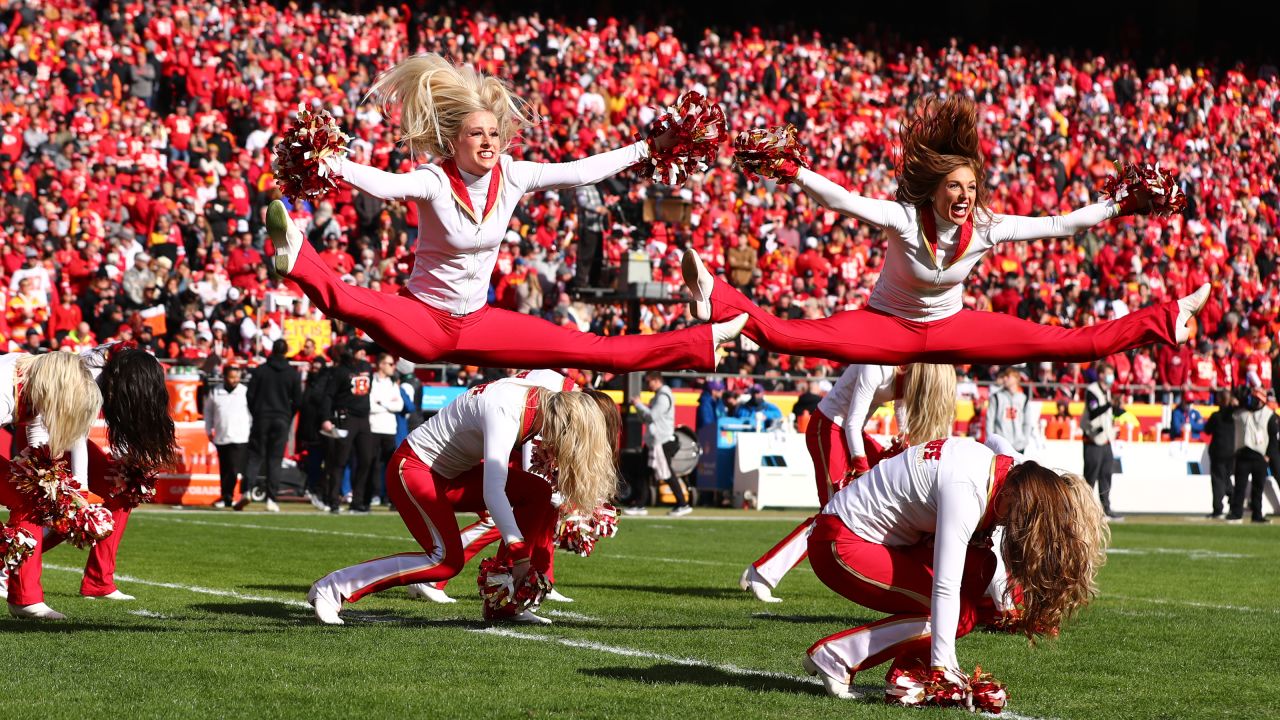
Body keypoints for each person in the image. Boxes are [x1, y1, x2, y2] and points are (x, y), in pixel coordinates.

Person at [267, 53, 745, 375]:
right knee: (348, 302)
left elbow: (580, 172)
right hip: (422, 321)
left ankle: (701, 342)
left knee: (590, 349)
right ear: (454, 140)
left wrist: (646, 146)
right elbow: (387, 185)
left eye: (494, 133)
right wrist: (331, 162)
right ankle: (297, 255)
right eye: (477, 134)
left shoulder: (514, 175)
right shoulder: (435, 180)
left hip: (479, 322)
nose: (489, 141)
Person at [693, 96, 1209, 367]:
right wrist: (792, 171)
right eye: (955, 188)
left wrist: (1120, 205)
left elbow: (1061, 225)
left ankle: (1167, 317)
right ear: (935, 190)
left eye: (970, 187)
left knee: (1071, 345)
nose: (964, 196)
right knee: (790, 338)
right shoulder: (902, 216)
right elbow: (842, 201)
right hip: (887, 327)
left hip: (953, 327)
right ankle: (716, 298)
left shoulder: (986, 227)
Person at [802, 437, 1108, 701]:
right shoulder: (967, 488)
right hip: (842, 542)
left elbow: (1001, 444)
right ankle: (838, 655)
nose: (1012, 525)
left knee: (978, 569)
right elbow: (945, 586)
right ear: (1014, 494)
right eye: (1019, 515)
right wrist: (943, 668)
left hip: (873, 539)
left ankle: (908, 673)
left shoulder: (1004, 472)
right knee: (959, 614)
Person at [306, 370, 618, 625]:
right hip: (415, 469)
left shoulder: (540, 395)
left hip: (453, 473)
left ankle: (504, 602)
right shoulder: (507, 410)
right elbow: (493, 491)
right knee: (445, 560)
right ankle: (333, 588)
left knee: (537, 492)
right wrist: (520, 553)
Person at [741, 364, 955, 602]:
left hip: (853, 433)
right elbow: (852, 421)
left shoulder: (911, 373)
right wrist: (862, 467)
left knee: (889, 476)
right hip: (830, 428)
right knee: (833, 514)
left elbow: (900, 404)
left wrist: (905, 438)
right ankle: (762, 573)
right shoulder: (876, 368)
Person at [3, 348, 179, 607]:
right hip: (56, 431)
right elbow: (65, 428)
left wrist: (79, 489)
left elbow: (51, 429)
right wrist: (65, 486)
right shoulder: (61, 379)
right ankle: (12, 577)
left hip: (58, 431)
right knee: (36, 497)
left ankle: (90, 582)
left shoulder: (35, 376)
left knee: (113, 485)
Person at [0, 352, 103, 619]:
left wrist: (73, 494)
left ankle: (25, 599)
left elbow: (38, 440)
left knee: (33, 496)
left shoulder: (32, 380)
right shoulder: (4, 388)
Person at [241, 339, 301, 512]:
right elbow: (298, 400)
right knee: (274, 460)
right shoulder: (292, 373)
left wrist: (257, 413)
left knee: (255, 456)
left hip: (262, 417)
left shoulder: (261, 371)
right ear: (286, 352)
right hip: (281, 419)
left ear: (271, 351)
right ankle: (271, 499)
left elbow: (250, 396)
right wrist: (287, 415)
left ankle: (248, 490)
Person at [317, 343, 374, 514]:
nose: (363, 352)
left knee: (366, 459)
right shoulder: (340, 371)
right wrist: (325, 418)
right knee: (340, 460)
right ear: (351, 352)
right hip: (346, 417)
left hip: (364, 418)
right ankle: (333, 500)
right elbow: (328, 395)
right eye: (359, 350)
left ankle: (357, 501)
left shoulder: (367, 367)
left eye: (364, 350)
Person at [628, 371, 690, 517]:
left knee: (666, 473)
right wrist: (640, 408)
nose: (647, 384)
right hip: (654, 441)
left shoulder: (663, 396)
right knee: (645, 472)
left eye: (649, 381)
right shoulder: (658, 396)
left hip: (661, 441)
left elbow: (652, 416)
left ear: (656, 380)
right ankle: (640, 504)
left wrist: (639, 405)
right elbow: (646, 419)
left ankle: (682, 503)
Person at [204, 364, 251, 509]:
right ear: (225, 377)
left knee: (233, 468)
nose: (234, 380)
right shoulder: (215, 391)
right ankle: (226, 497)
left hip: (240, 436)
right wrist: (208, 429)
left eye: (237, 377)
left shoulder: (245, 391)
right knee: (224, 469)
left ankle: (232, 495)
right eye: (231, 377)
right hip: (221, 434)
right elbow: (208, 412)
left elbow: (251, 412)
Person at [1082, 363, 1125, 521]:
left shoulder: (1106, 392)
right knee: (1090, 477)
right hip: (1093, 439)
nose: (1110, 377)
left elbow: (1107, 413)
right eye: (1107, 373)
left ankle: (1106, 508)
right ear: (1100, 374)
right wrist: (1109, 404)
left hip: (1106, 439)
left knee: (1106, 474)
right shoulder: (1092, 391)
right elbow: (1094, 412)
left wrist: (1118, 409)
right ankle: (1084, 509)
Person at [1230, 386, 1276, 524]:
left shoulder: (1269, 414)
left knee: (1258, 488)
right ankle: (1236, 513)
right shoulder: (1240, 412)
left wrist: (1268, 455)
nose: (1252, 401)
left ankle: (1257, 515)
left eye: (1256, 399)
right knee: (1240, 486)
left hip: (1259, 455)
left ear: (1261, 401)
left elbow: (1273, 438)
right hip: (1243, 453)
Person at [366, 353, 405, 508]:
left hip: (389, 429)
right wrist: (388, 404)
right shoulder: (371, 381)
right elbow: (370, 406)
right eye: (390, 364)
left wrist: (382, 402)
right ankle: (373, 495)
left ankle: (390, 498)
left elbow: (399, 406)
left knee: (390, 466)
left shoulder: (393, 384)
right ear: (381, 364)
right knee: (372, 463)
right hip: (374, 427)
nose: (393, 367)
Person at [986, 367, 1038, 453]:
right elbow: (989, 421)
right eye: (1004, 376)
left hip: (1019, 446)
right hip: (1001, 445)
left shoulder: (1023, 398)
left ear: (1016, 379)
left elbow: (1027, 422)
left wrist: (1024, 441)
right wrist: (991, 441)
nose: (1005, 378)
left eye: (1008, 376)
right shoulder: (996, 397)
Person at [1201, 389, 1236, 519]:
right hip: (1231, 451)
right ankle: (1233, 500)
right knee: (1226, 477)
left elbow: (1207, 430)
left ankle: (1218, 508)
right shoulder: (1234, 415)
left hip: (1218, 452)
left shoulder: (1216, 416)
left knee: (1217, 480)